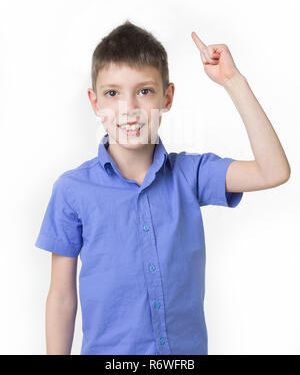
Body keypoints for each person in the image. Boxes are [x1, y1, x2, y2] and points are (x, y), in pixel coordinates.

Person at [35, 19, 291, 355]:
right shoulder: (72, 190)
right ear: (95, 102)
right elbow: (62, 297)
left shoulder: (191, 174)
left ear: (167, 97)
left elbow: (273, 172)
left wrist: (233, 81)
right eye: (112, 93)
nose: (128, 108)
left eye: (144, 91)